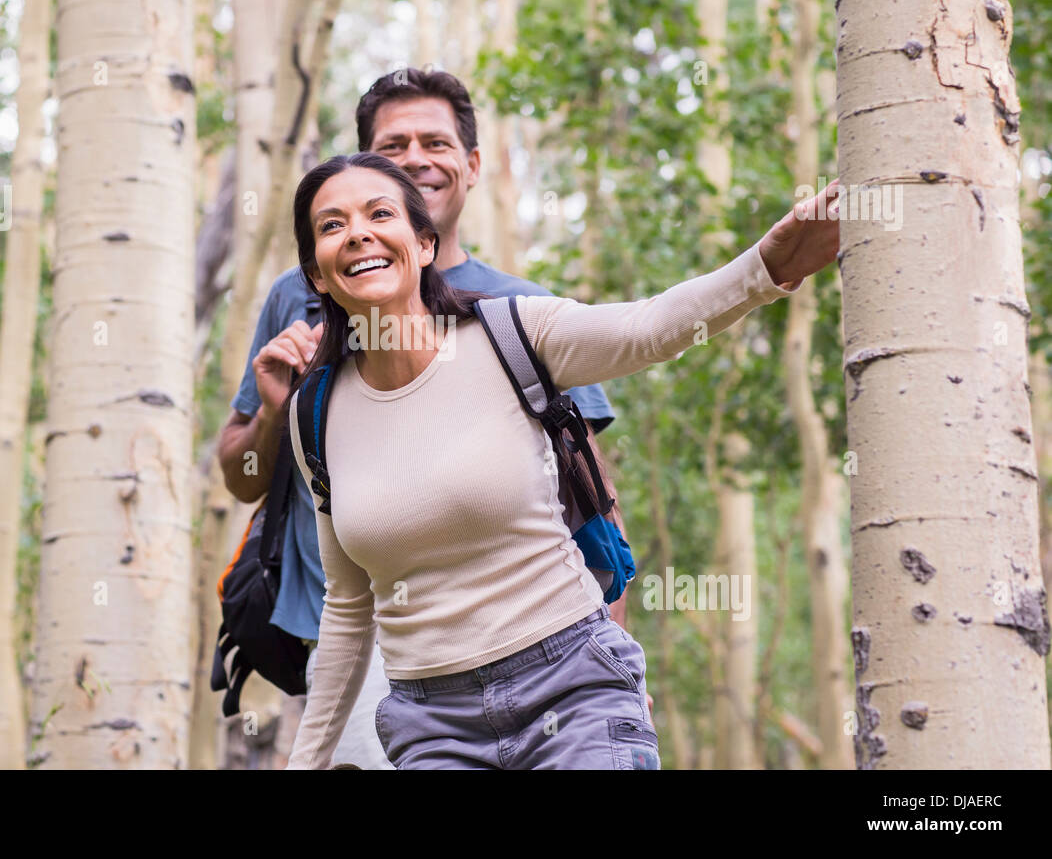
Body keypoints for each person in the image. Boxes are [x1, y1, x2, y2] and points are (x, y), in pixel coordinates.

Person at [282, 152, 840, 769]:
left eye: (378, 213)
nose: (357, 231)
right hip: (431, 726)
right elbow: (348, 603)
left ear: (423, 243)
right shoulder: (315, 411)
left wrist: (768, 267)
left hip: (572, 687)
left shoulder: (510, 334)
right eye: (332, 225)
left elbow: (648, 326)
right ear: (317, 276)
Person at [219, 69, 618, 768]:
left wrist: (613, 659)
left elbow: (592, 499)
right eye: (391, 144)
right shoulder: (303, 292)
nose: (415, 158)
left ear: (470, 166)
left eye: (435, 142)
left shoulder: (520, 310)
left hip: (527, 645)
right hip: (348, 637)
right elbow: (243, 476)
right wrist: (277, 413)